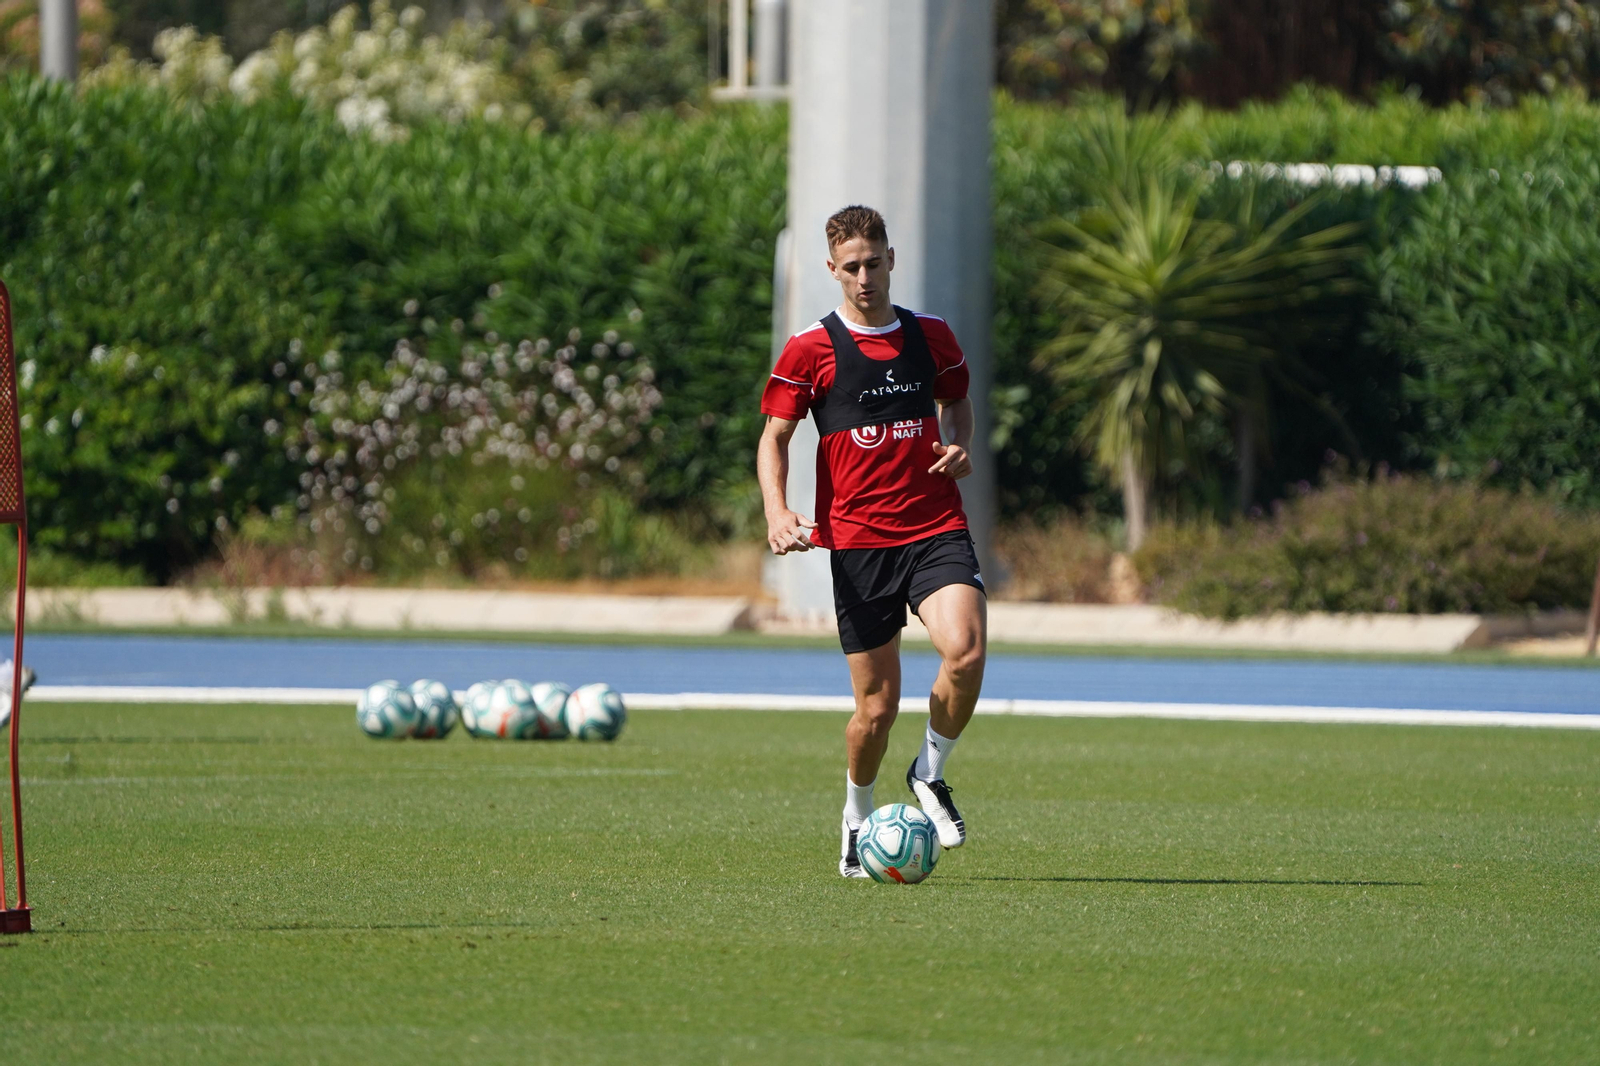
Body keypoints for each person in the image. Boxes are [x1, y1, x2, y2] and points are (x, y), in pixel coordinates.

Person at [757, 205, 987, 878]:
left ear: (892, 260)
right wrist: (778, 510)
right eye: (851, 267)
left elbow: (957, 401)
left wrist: (961, 445)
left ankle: (930, 772)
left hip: (934, 527)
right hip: (858, 545)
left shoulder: (931, 336)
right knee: (876, 709)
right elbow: (774, 437)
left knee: (966, 651)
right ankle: (857, 812)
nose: (865, 277)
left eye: (874, 263)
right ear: (833, 270)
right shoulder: (809, 349)